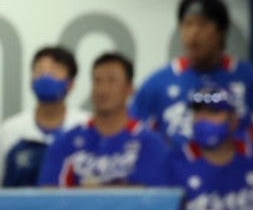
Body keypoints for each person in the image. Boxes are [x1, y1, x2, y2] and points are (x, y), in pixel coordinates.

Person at [131, 0, 253, 152]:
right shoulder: (156, 85)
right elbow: (133, 140)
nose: (194, 33)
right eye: (188, 24)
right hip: (174, 174)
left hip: (237, 173)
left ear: (221, 31)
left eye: (202, 24)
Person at [37, 53, 169, 187]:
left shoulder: (150, 143)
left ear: (129, 89)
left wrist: (91, 190)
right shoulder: (65, 142)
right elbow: (49, 196)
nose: (103, 89)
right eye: (97, 81)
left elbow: (149, 198)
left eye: (111, 81)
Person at [0, 46, 89, 187]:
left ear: (71, 84)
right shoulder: (9, 130)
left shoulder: (86, 126)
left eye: (54, 70)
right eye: (39, 70)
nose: (45, 76)